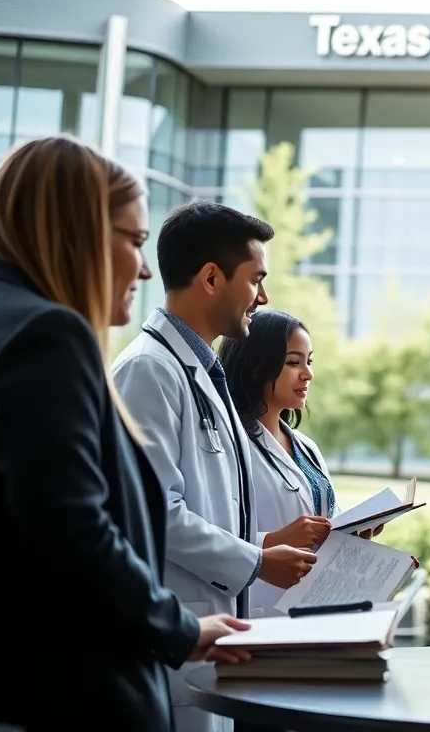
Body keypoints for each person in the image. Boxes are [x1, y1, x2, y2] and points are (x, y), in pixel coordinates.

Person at [0, 136, 251, 731]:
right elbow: (72, 531)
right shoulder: (48, 336)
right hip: (68, 697)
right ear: (76, 231)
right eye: (133, 241)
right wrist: (179, 628)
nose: (146, 267)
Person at [112, 202, 317, 732]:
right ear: (210, 278)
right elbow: (156, 513)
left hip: (213, 642)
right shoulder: (147, 371)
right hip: (178, 649)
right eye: (256, 281)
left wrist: (262, 549)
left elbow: (214, 508)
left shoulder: (200, 372)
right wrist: (255, 560)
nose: (264, 298)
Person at [219, 309, 369, 618]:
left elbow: (325, 519)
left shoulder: (306, 448)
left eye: (309, 361)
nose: (308, 374)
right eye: (293, 362)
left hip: (315, 606)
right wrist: (274, 540)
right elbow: (211, 532)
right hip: (260, 608)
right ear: (256, 367)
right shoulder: (227, 445)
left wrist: (353, 530)